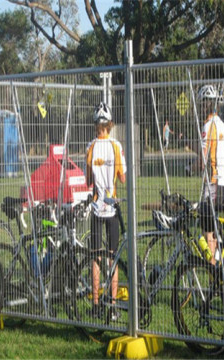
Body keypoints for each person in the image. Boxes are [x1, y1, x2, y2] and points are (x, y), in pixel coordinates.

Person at [85, 102, 126, 320]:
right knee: (113, 257)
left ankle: (94, 303)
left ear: (95, 125)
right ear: (110, 124)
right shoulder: (116, 146)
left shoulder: (90, 147)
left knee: (95, 257)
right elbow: (122, 177)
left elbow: (88, 180)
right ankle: (112, 305)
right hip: (112, 208)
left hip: (95, 208)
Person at [197, 85, 224, 265]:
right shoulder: (221, 124)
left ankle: (213, 267)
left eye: (203, 103)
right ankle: (218, 261)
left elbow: (203, 161)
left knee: (207, 229)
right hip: (222, 180)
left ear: (208, 104)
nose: (202, 107)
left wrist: (189, 167)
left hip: (213, 182)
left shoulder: (208, 126)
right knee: (213, 225)